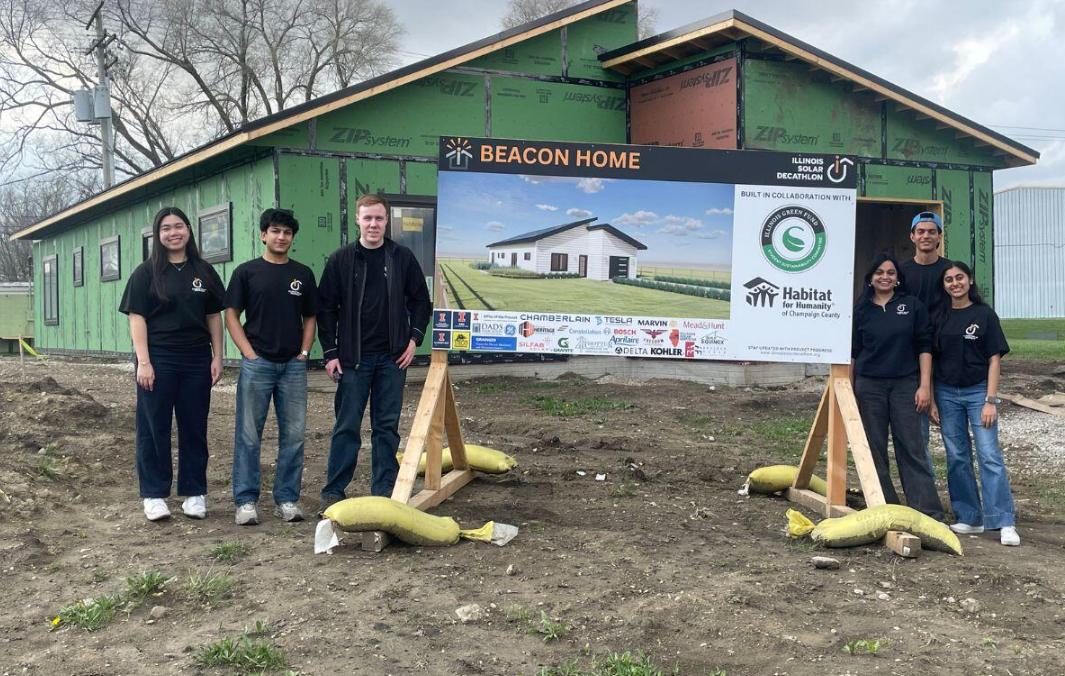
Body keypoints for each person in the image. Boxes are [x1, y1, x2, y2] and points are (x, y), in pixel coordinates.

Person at [317, 194, 431, 511]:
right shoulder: (341, 260)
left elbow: (421, 302)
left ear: (386, 220)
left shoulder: (401, 258)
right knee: (347, 426)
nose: (373, 224)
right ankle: (334, 490)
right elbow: (325, 308)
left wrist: (413, 340)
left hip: (393, 359)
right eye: (367, 218)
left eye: (379, 218)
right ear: (357, 220)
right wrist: (330, 352)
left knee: (386, 427)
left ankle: (384, 492)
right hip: (353, 360)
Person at [120, 207, 225, 522]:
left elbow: (213, 316)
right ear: (158, 234)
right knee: (154, 428)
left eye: (179, 226)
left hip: (196, 359)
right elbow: (136, 317)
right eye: (166, 228)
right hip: (159, 359)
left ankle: (195, 494)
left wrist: (218, 356)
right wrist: (144, 361)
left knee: (195, 427)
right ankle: (154, 495)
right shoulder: (145, 273)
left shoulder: (203, 271)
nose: (173, 233)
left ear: (189, 231)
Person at [224, 209, 319, 525]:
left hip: (292, 366)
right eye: (275, 231)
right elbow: (231, 315)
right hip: (258, 364)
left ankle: (287, 499)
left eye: (287, 233)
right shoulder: (246, 272)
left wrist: (304, 353)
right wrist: (248, 353)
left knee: (293, 436)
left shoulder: (303, 274)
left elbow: (310, 318)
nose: (281, 237)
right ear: (263, 234)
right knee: (249, 435)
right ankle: (246, 501)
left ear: (293, 238)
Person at [930, 262, 1019, 546]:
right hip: (946, 392)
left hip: (978, 392)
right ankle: (970, 517)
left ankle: (1003, 521)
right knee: (957, 455)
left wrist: (990, 401)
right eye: (949, 280)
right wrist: (932, 398)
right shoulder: (939, 316)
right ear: (943, 285)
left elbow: (994, 360)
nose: (955, 283)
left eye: (959, 278)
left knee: (989, 455)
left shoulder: (985, 315)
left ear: (969, 280)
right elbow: (931, 359)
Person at [851, 252, 945, 521]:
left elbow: (924, 346)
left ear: (897, 279)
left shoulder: (912, 306)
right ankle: (884, 507)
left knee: (912, 447)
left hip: (906, 384)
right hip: (870, 386)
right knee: (874, 448)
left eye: (891, 273)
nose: (885, 276)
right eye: (879, 272)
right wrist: (851, 390)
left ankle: (927, 511)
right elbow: (853, 353)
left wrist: (924, 386)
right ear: (870, 278)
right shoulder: (860, 310)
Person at [899, 210, 953, 469]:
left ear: (940, 237)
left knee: (953, 436)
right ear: (912, 236)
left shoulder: (950, 272)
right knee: (918, 436)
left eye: (932, 231)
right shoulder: (901, 273)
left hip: (948, 358)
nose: (926, 236)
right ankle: (925, 494)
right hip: (913, 359)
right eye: (921, 231)